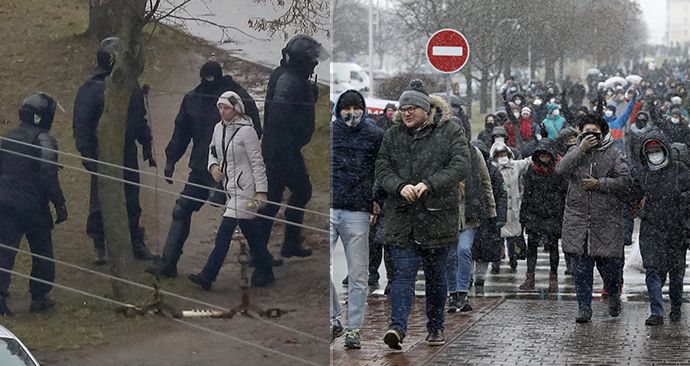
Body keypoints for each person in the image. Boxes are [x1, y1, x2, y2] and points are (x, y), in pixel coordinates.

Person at [147, 60, 265, 278]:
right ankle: (168, 262)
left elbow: (254, 131)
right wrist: (171, 159)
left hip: (233, 173)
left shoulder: (238, 98)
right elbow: (181, 131)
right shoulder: (193, 99)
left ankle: (263, 264)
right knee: (182, 209)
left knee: (242, 217)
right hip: (202, 169)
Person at [377, 80, 468, 349]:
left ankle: (436, 326)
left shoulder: (449, 131)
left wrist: (430, 183)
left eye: (413, 108)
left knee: (436, 277)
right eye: (403, 108)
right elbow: (382, 168)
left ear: (426, 109)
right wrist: (399, 186)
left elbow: (460, 165)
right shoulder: (392, 135)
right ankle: (397, 327)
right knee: (402, 276)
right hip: (402, 219)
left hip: (437, 217)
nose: (407, 113)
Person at [73, 37, 156, 264]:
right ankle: (100, 244)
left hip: (127, 151)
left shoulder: (131, 87)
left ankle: (134, 241)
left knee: (131, 197)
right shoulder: (92, 89)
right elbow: (81, 125)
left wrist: (146, 144)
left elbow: (139, 119)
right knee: (101, 199)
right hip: (103, 153)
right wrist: (88, 155)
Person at [187, 91, 274, 289]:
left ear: (236, 109)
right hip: (230, 190)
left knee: (225, 231)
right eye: (220, 107)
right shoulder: (218, 129)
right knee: (252, 232)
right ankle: (265, 269)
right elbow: (212, 151)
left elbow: (257, 163)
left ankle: (208, 275)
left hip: (248, 193)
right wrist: (213, 167)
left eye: (226, 108)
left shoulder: (247, 132)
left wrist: (261, 192)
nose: (222, 111)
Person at [256, 35, 328, 258]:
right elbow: (280, 119)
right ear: (301, 59)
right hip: (281, 149)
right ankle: (266, 252)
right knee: (295, 193)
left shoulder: (291, 77)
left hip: (281, 148)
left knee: (276, 198)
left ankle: (272, 249)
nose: (315, 63)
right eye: (312, 59)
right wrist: (283, 154)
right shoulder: (289, 81)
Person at [556, 112, 631, 324]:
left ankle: (614, 295)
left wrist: (600, 184)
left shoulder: (614, 154)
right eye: (586, 132)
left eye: (595, 132)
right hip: (578, 222)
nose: (591, 136)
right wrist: (581, 149)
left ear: (603, 133)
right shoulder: (574, 151)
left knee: (610, 269)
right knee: (581, 270)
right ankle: (584, 307)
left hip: (606, 222)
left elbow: (624, 180)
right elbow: (561, 169)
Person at [0, 93, 67, 315]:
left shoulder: (8, 138)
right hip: (33, 206)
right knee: (42, 251)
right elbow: (49, 175)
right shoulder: (44, 140)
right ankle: (39, 296)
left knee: (4, 252)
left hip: (6, 203)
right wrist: (60, 204)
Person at [330, 90, 383, 349]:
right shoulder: (331, 133)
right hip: (330, 207)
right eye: (346, 107)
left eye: (356, 107)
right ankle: (333, 318)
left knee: (358, 274)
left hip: (359, 211)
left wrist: (376, 198)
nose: (351, 113)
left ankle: (354, 329)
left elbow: (382, 169)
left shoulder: (374, 135)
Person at [633, 132, 690, 325]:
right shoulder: (643, 173)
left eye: (657, 150)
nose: (654, 154)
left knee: (676, 273)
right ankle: (656, 311)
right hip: (651, 227)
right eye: (650, 151)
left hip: (676, 228)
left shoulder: (680, 171)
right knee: (652, 270)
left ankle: (675, 306)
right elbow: (632, 194)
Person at [446, 140, 498, 312]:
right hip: (447, 213)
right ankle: (452, 292)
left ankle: (463, 291)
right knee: (450, 254)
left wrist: (491, 210)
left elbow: (485, 182)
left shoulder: (474, 154)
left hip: (470, 212)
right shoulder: (441, 150)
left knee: (464, 249)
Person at [519, 140, 567, 291]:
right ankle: (530, 277)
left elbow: (563, 194)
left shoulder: (558, 172)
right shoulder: (532, 172)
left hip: (553, 215)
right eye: (542, 156)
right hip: (535, 214)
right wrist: (524, 216)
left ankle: (553, 278)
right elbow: (526, 195)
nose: (544, 159)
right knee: (531, 248)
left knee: (553, 247)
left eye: (547, 156)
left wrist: (561, 213)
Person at [470, 140, 507, 295]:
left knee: (484, 251)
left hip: (488, 218)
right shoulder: (466, 170)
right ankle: (468, 276)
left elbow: (501, 195)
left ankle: (480, 277)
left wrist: (500, 216)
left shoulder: (493, 172)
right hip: (472, 216)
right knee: (469, 249)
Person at [489, 142, 531, 274]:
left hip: (514, 210)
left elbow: (528, 162)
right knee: (497, 239)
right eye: (499, 154)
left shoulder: (515, 166)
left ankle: (513, 258)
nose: (502, 156)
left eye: (504, 154)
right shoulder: (492, 169)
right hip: (499, 209)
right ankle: (496, 264)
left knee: (512, 238)